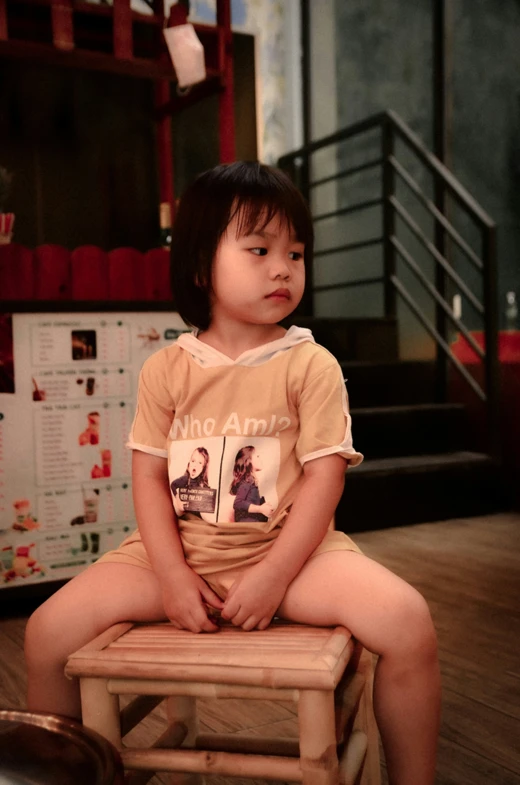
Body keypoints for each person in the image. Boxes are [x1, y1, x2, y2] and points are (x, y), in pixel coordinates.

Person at [25, 161, 440, 785]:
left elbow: (327, 479)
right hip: (177, 554)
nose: (283, 267)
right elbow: (147, 479)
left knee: (409, 623)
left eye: (296, 253)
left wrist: (275, 575)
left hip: (290, 553)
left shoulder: (311, 363)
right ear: (199, 265)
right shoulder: (166, 369)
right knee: (45, 632)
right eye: (259, 249)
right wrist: (169, 574)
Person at [230, 446, 274, 522]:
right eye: (257, 456)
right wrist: (260, 509)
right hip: (247, 527)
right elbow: (237, 503)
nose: (260, 459)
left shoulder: (250, 480)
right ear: (248, 461)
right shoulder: (248, 480)